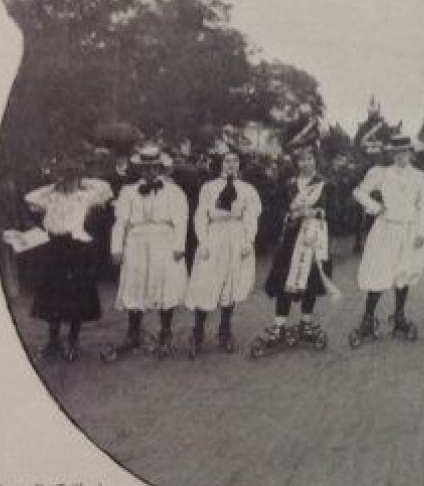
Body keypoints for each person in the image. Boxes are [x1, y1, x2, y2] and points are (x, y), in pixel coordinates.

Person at [256, 123, 336, 354]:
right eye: (301, 160)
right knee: (284, 279)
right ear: (296, 163)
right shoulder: (288, 185)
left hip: (314, 238)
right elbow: (277, 209)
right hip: (291, 238)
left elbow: (335, 211)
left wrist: (315, 212)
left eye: (309, 159)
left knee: (310, 280)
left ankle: (306, 323)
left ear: (315, 160)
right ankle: (279, 325)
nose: (305, 163)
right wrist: (291, 214)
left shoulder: (325, 185)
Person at [23, 158, 113, 361]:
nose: (67, 181)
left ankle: (73, 341)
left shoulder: (84, 197)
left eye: (71, 177)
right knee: (52, 295)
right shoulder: (51, 197)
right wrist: (54, 184)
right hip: (54, 248)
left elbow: (106, 189)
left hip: (76, 248)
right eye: (64, 177)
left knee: (76, 296)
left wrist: (82, 180)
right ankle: (53, 342)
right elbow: (30, 197)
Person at [351, 132, 424, 342]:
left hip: (409, 230)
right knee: (379, 271)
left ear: (410, 153)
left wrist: (421, 231)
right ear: (392, 154)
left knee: (404, 273)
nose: (401, 156)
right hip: (386, 229)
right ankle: (368, 319)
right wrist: (376, 206)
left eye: (404, 152)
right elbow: (359, 192)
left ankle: (399, 317)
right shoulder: (382, 173)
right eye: (396, 152)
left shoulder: (421, 179)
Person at [109, 143, 190, 358]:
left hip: (164, 241)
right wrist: (116, 248)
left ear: (160, 168)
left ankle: (165, 332)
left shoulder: (174, 191)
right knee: (135, 284)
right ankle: (133, 333)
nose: (150, 172)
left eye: (154, 167)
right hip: (136, 242)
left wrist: (179, 246)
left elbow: (181, 221)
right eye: (146, 168)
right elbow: (120, 222)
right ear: (140, 170)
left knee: (164, 284)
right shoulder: (128, 192)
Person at [183, 148, 261, 355]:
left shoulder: (247, 189)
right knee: (206, 281)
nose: (231, 165)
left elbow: (251, 217)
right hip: (214, 234)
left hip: (236, 235)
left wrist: (248, 241)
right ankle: (197, 332)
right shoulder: (209, 187)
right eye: (227, 161)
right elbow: (201, 215)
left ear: (239, 165)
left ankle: (224, 331)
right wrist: (203, 241)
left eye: (235, 161)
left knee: (230, 282)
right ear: (221, 164)